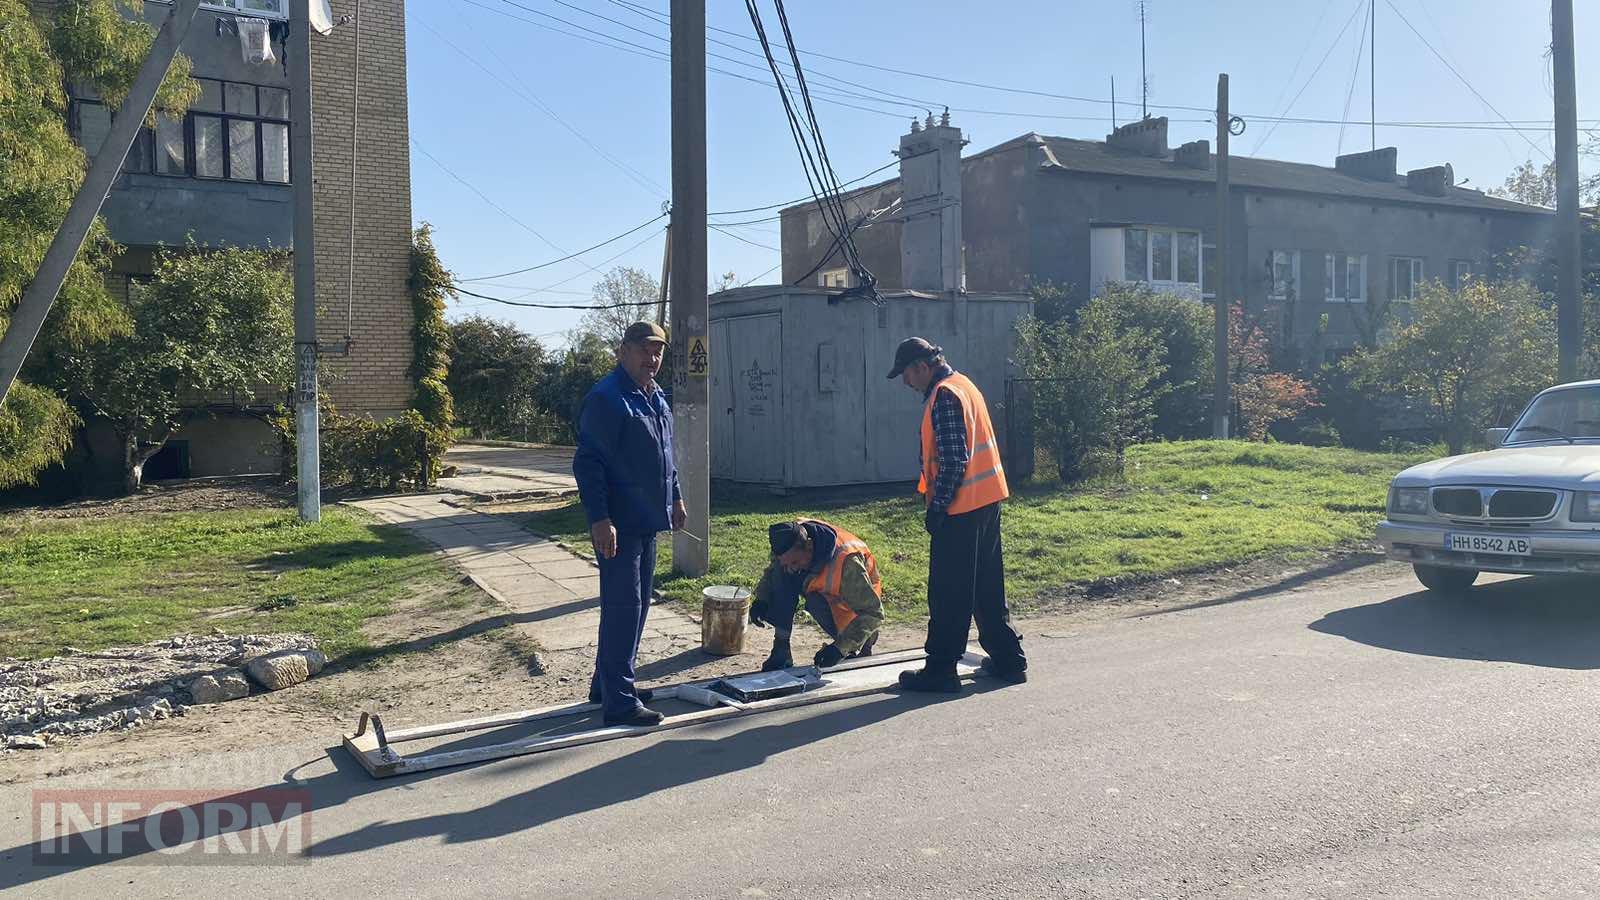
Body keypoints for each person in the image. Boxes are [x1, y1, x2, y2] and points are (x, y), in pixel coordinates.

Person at [886, 337, 1027, 693]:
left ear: (922, 366)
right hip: (987, 500)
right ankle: (1010, 660)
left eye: (906, 374)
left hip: (959, 508)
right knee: (986, 586)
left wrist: (938, 507)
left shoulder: (945, 395)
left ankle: (941, 669)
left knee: (949, 593)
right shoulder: (965, 385)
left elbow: (953, 459)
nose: (905, 382)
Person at [572, 321, 686, 726]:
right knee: (623, 608)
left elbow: (666, 456)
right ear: (623, 351)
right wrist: (600, 519)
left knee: (635, 609)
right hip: (618, 524)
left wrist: (676, 497)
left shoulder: (654, 397)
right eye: (644, 350)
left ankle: (607, 685)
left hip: (647, 521)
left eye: (658, 352)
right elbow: (588, 464)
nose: (652, 359)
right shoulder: (608, 398)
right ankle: (619, 702)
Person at [747, 519, 884, 672]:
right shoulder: (789, 540)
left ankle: (860, 646)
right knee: (782, 575)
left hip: (854, 604)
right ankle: (781, 650)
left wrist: (839, 649)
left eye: (795, 562)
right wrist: (762, 600)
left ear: (810, 546)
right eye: (786, 563)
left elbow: (873, 613)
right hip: (822, 589)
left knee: (818, 606)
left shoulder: (847, 562)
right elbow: (773, 571)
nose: (792, 569)